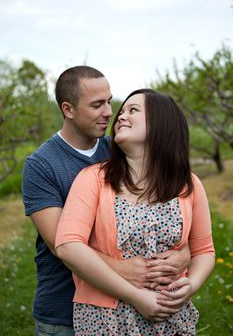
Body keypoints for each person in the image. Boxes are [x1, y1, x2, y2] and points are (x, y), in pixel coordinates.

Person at [22, 68, 190, 336]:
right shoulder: (41, 166)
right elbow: (60, 244)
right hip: (63, 307)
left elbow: (160, 213)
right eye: (97, 105)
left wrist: (184, 253)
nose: (110, 112)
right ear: (68, 109)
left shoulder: (120, 149)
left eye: (109, 101)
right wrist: (126, 270)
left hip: (124, 310)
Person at [55, 89, 215, 336]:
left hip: (170, 316)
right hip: (106, 318)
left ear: (161, 123)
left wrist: (190, 286)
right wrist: (136, 296)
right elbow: (68, 246)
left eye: (133, 110)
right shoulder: (93, 180)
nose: (120, 116)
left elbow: (204, 251)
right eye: (122, 111)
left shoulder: (188, 185)